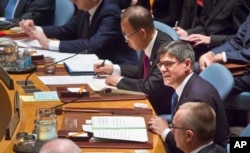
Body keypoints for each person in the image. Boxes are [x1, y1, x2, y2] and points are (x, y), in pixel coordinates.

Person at [148, 41, 229, 153]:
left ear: (186, 64)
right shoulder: (187, 85)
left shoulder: (197, 99)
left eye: (168, 64)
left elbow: (191, 145)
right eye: (160, 64)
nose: (162, 69)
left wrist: (165, 132)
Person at [94, 5, 174, 115]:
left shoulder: (166, 51)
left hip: (158, 108)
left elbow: (150, 87)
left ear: (142, 33)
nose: (126, 40)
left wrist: (119, 80)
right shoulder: (147, 40)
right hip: (143, 100)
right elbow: (142, 71)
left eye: (127, 35)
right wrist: (113, 69)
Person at [19, 0, 138, 65]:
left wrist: (48, 44)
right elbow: (66, 30)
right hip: (91, 65)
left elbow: (93, 45)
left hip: (117, 69)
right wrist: (35, 29)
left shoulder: (110, 12)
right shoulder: (84, 8)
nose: (72, 1)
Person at [199, 14, 250, 127]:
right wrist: (211, 53)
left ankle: (210, 134)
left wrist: (224, 56)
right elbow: (236, 41)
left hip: (247, 72)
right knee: (196, 70)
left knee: (209, 83)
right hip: (242, 65)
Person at [174, 0, 250, 60]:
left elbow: (241, 39)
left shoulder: (240, 1)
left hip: (223, 50)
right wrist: (187, 33)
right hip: (202, 46)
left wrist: (211, 40)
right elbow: (204, 25)